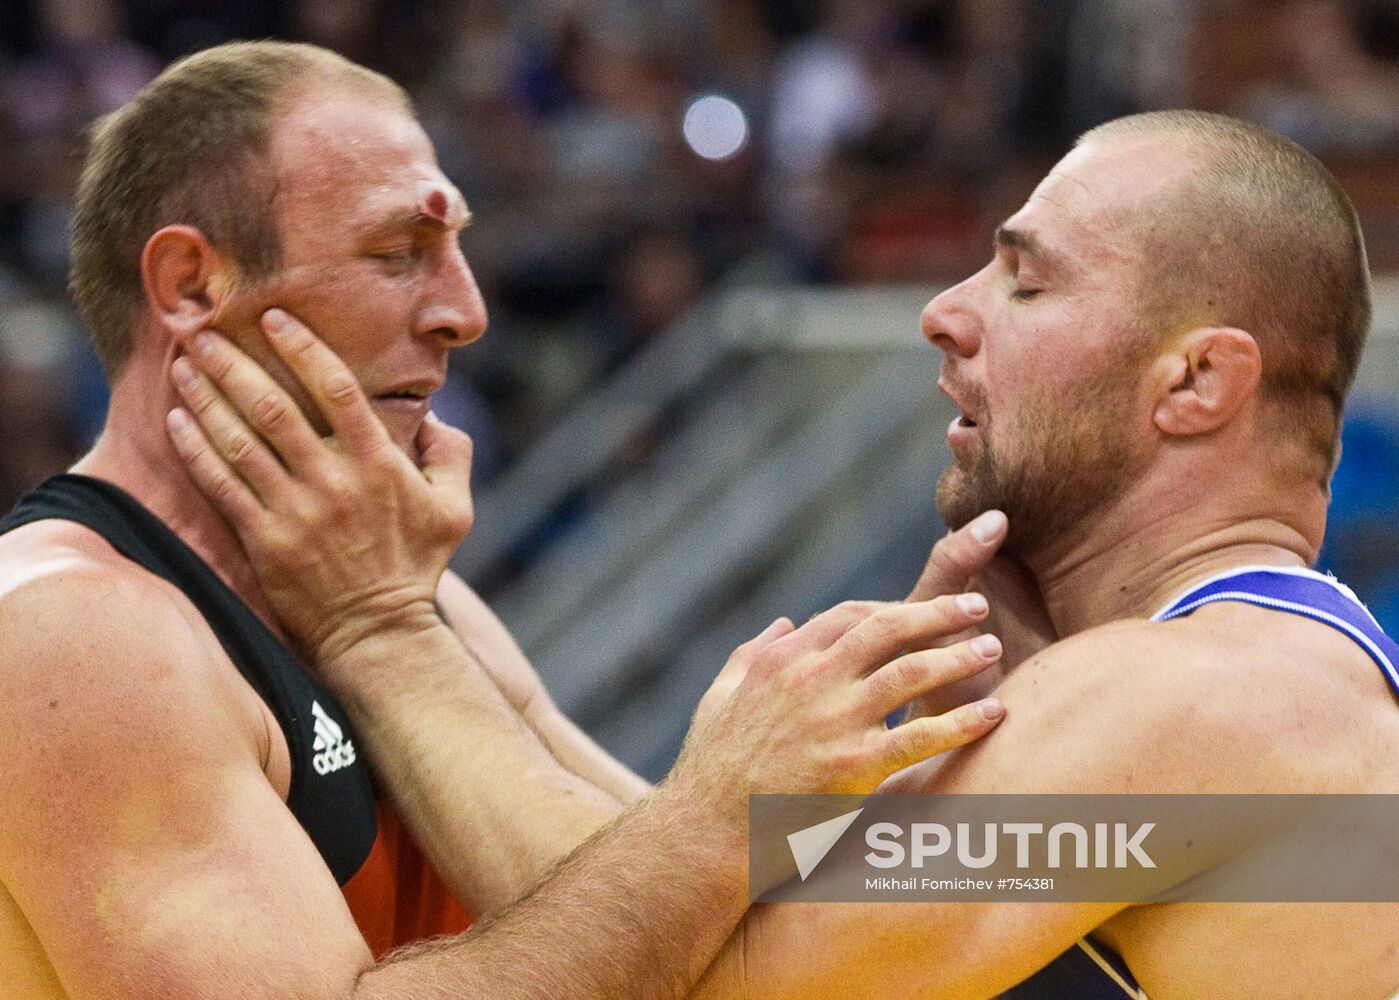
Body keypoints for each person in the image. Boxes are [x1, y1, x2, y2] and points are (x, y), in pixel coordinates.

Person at [176, 108, 1399, 997]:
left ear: (1194, 380)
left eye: (1025, 285)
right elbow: (696, 892)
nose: (945, 309)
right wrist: (440, 622)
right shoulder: (1251, 676)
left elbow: (681, 974)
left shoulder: (1194, 698)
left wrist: (378, 628)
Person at [0, 41, 1009, 999]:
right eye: (399, 251)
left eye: (455, 249)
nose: (466, 311)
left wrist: (914, 808)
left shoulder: (400, 595)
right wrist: (721, 812)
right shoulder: (76, 634)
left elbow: (689, 932)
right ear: (190, 284)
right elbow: (673, 875)